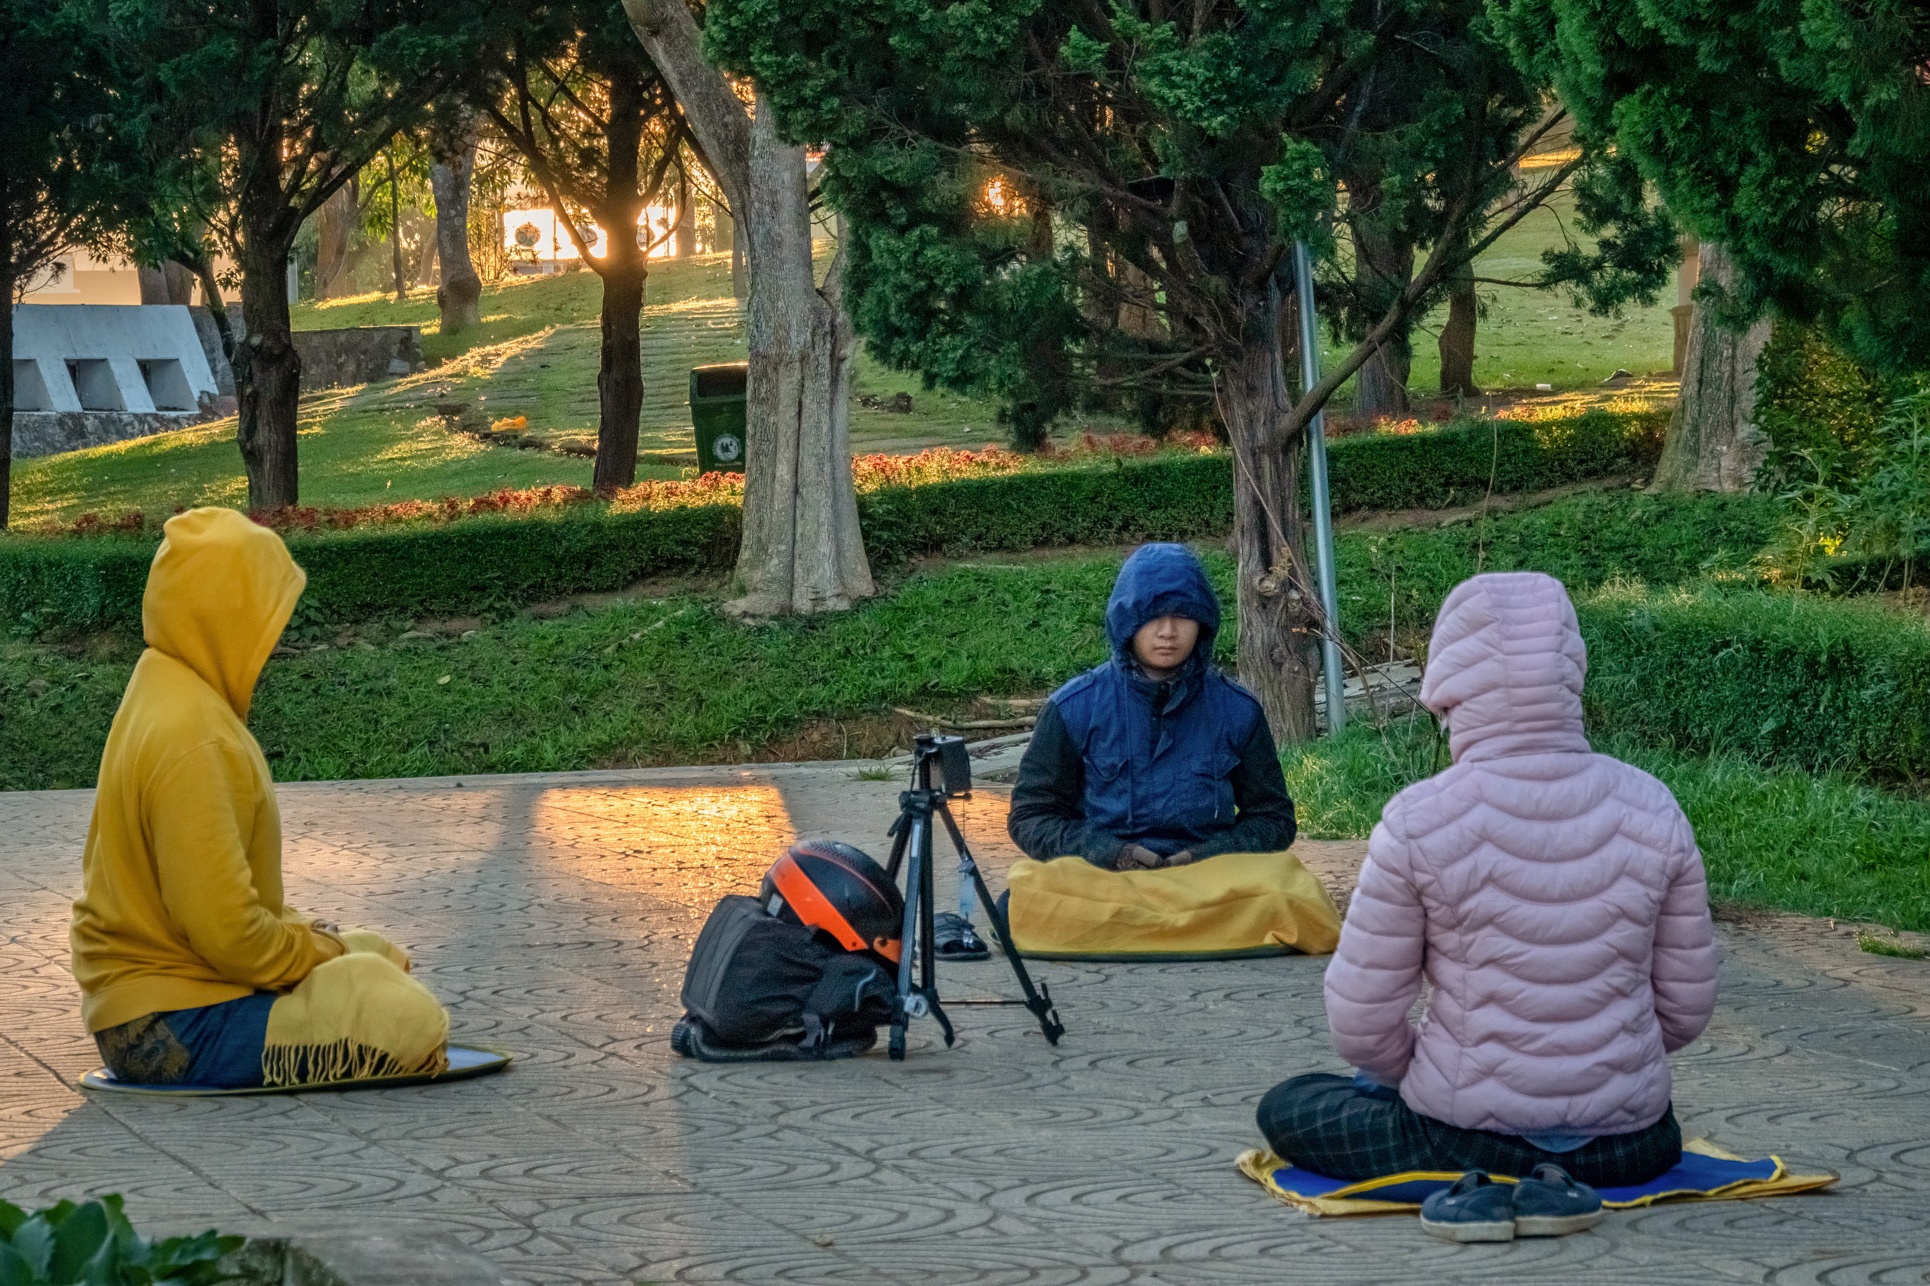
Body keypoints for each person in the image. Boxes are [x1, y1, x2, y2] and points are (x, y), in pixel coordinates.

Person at [1257, 571, 1718, 1191]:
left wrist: (1417, 1074)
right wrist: (1600, 1073)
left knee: (1290, 1105)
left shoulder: (1418, 820)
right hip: (1632, 1145)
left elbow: (1361, 1023)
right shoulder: (1654, 808)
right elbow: (1685, 1012)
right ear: (1570, 676)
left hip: (1466, 1141)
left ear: (1449, 693)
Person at [71, 507, 449, 1089]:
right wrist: (320, 954)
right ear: (225, 618)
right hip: (172, 1024)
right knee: (404, 1018)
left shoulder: (162, 683)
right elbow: (229, 935)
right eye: (264, 618)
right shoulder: (193, 738)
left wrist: (327, 947)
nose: (273, 640)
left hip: (171, 998)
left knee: (373, 955)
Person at [1001, 543, 1339, 957]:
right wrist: (1111, 853)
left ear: (1203, 624)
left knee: (1291, 889)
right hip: (1106, 881)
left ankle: (1136, 933)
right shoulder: (1074, 707)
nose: (1167, 631)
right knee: (1025, 897)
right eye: (1152, 617)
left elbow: (1273, 820)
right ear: (1127, 622)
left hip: (1209, 882)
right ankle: (1202, 933)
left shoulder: (1238, 710)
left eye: (1182, 616)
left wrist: (1206, 856)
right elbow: (1031, 816)